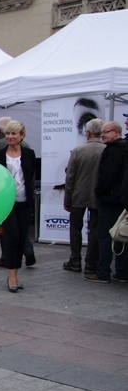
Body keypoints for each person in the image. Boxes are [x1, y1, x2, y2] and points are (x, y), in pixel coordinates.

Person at [0, 121, 36, 292]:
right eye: (8, 133)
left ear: (21, 135)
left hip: (24, 203)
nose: (10, 136)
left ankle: (16, 274)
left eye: (13, 134)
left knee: (21, 238)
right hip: (6, 203)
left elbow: (30, 178)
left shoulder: (30, 154)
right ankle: (11, 276)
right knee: (12, 237)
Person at [87, 120, 128, 283]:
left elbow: (106, 177)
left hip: (110, 200)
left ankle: (103, 272)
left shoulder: (113, 151)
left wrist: (100, 192)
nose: (102, 135)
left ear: (116, 132)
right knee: (121, 235)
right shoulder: (124, 149)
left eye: (107, 131)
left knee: (105, 236)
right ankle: (122, 272)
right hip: (121, 200)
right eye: (102, 131)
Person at [63, 118, 105, 274]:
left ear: (87, 133)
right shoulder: (106, 150)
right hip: (98, 197)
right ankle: (90, 263)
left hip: (78, 196)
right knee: (94, 230)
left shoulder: (78, 151)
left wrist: (67, 199)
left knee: (75, 229)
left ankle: (75, 260)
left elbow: (70, 178)